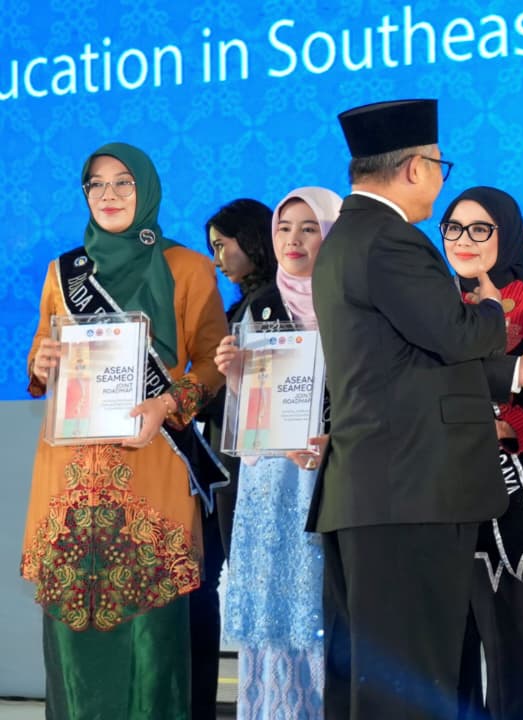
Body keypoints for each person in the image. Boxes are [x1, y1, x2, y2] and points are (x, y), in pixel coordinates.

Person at [307, 99, 523, 720]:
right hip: (408, 494)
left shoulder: (348, 238)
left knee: (383, 680)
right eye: (440, 167)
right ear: (415, 168)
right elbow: (454, 333)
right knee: (411, 682)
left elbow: (407, 362)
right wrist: (495, 309)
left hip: (381, 491)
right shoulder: (392, 240)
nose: (440, 180)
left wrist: (517, 371)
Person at [25, 142, 228, 719]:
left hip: (151, 469)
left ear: (147, 189)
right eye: (96, 184)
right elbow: (42, 352)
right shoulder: (64, 272)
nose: (109, 194)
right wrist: (41, 362)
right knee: (75, 644)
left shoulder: (187, 268)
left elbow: (213, 364)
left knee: (151, 639)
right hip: (70, 479)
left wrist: (169, 402)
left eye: (123, 182)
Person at [217, 186, 343, 719]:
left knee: (321, 609)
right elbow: (248, 416)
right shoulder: (260, 306)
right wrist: (237, 375)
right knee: (274, 608)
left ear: (331, 235)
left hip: (330, 476)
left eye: (309, 228)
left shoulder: (349, 305)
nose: (294, 239)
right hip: (271, 481)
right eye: (285, 228)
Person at [441, 186, 523, 720]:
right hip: (437, 489)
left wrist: (507, 427)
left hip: (509, 489)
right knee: (449, 639)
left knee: (504, 630)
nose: (463, 240)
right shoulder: (433, 305)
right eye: (453, 227)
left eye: (479, 228)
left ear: (505, 233)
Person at [190, 198, 281, 720]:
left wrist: (192, 391)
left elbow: (249, 393)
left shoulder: (267, 304)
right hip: (233, 459)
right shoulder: (249, 301)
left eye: (223, 245)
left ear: (251, 240)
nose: (217, 258)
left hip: (246, 464)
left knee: (234, 581)